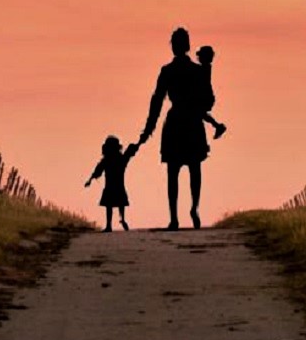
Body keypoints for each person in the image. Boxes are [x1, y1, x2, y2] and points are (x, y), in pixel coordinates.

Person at [140, 27, 209, 230]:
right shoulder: (196, 71)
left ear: (174, 47)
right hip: (191, 121)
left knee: (174, 172)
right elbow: (206, 100)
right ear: (187, 46)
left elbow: (157, 101)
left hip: (177, 121)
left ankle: (174, 217)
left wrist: (148, 129)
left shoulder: (168, 71)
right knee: (194, 169)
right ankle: (193, 208)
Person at [85, 135, 139, 232]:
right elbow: (128, 155)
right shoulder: (120, 159)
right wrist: (133, 147)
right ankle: (122, 219)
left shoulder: (107, 160)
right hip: (118, 186)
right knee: (120, 204)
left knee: (109, 206)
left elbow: (98, 171)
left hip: (110, 186)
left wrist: (90, 180)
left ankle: (109, 225)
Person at [195, 45, 227, 139]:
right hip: (206, 95)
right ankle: (217, 126)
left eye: (201, 56)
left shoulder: (204, 68)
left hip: (205, 96)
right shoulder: (205, 67)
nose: (199, 58)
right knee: (201, 113)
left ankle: (217, 126)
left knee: (200, 112)